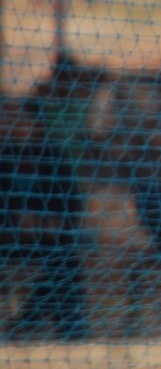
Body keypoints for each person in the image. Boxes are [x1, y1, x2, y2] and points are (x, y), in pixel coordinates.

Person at [0, 98, 89, 341]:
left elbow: (72, 202)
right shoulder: (4, 158)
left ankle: (67, 331)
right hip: (7, 238)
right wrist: (14, 221)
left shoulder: (53, 157)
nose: (13, 124)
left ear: (37, 123)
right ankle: (26, 323)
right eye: (9, 119)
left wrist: (44, 221)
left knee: (65, 259)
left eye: (21, 119)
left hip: (47, 238)